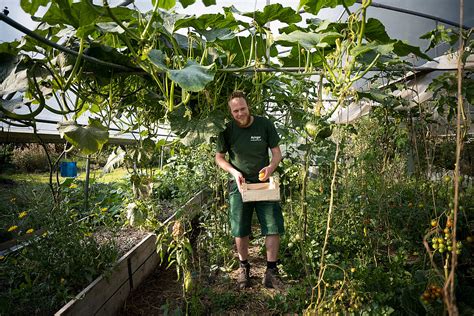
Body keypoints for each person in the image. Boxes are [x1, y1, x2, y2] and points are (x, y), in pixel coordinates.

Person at [215, 91, 284, 289]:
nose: (240, 113)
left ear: (248, 106)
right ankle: (244, 268)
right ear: (231, 112)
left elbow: (277, 153)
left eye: (242, 108)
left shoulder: (264, 124)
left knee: (272, 226)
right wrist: (234, 172)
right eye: (235, 110)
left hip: (264, 182)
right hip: (240, 183)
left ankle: (271, 271)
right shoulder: (226, 129)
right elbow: (219, 157)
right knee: (240, 227)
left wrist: (270, 168)